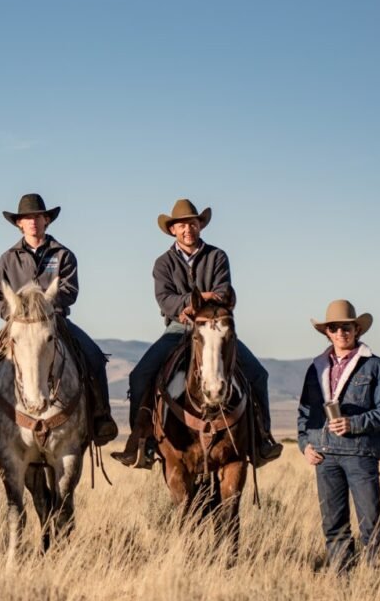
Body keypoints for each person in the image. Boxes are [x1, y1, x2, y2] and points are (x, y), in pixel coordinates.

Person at [113, 199, 283, 468]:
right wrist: (195, 300)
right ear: (172, 230)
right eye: (181, 225)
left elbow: (223, 292)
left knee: (257, 374)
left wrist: (196, 302)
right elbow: (164, 299)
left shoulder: (217, 257)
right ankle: (140, 442)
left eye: (192, 224)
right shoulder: (163, 263)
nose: (187, 229)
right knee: (140, 376)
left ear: (200, 226)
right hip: (178, 328)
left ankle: (262, 438)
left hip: (213, 327)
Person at [0, 194, 117, 453]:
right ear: (19, 224)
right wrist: (14, 315)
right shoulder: (8, 258)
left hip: (53, 321)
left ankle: (101, 416)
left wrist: (46, 309)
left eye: (37, 217)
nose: (33, 222)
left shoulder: (63, 254)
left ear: (47, 220)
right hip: (18, 325)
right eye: (27, 218)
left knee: (94, 356)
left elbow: (69, 290)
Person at [297, 300, 380, 572]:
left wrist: (353, 424)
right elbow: (304, 412)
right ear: (327, 333)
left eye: (346, 327)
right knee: (333, 526)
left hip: (360, 455)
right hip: (324, 456)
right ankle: (343, 583)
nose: (341, 332)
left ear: (357, 330)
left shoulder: (378, 367)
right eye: (334, 328)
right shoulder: (316, 368)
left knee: (371, 523)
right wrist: (305, 444)